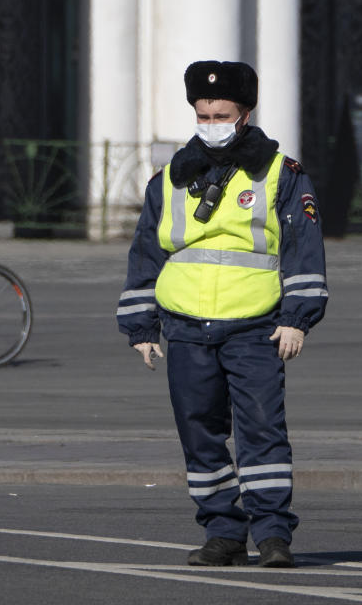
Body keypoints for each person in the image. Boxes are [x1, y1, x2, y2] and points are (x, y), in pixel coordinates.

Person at [117, 61, 328, 567]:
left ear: (245, 114)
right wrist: (141, 327)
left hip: (255, 327)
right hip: (185, 328)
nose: (210, 121)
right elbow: (147, 252)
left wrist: (297, 318)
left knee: (262, 431)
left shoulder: (281, 173)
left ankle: (273, 534)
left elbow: (303, 247)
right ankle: (223, 531)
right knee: (199, 433)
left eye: (222, 113)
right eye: (203, 113)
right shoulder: (168, 179)